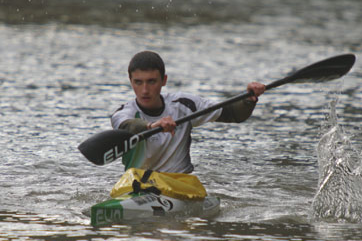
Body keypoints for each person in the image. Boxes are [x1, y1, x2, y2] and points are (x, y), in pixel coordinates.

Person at [110, 51, 267, 176]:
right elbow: (127, 127)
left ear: (163, 80)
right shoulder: (124, 113)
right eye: (138, 82)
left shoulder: (184, 104)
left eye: (151, 81)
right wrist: (152, 126)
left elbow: (233, 113)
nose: (145, 90)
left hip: (179, 185)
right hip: (137, 184)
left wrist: (249, 99)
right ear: (130, 81)